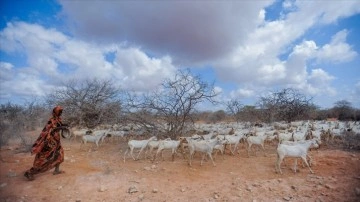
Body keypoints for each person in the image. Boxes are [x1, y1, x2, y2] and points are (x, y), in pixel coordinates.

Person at [24, 106, 66, 181]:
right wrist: (60, 128)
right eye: (60, 111)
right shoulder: (51, 120)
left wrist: (64, 126)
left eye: (61, 111)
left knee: (60, 155)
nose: (61, 113)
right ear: (56, 112)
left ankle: (56, 170)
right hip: (50, 142)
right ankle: (30, 172)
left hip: (56, 141)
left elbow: (59, 126)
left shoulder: (58, 119)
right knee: (44, 158)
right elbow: (50, 130)